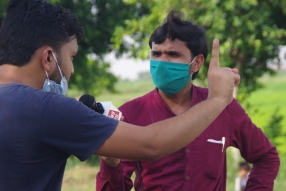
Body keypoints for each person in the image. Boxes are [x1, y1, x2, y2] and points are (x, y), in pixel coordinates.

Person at [0, 1, 240, 191]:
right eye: (71, 57)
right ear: (48, 58)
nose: (71, 70)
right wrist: (218, 99)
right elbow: (151, 145)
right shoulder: (49, 109)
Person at [96, 10, 280, 191]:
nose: (162, 62)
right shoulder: (130, 114)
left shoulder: (222, 106)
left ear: (197, 63)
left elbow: (266, 157)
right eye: (156, 54)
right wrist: (110, 163)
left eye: (173, 54)